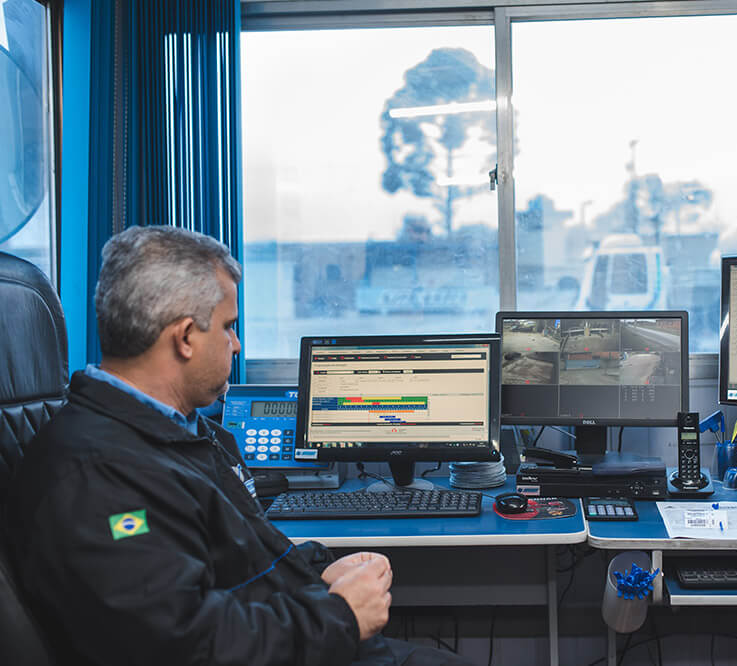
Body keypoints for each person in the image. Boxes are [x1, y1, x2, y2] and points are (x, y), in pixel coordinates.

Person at [4, 226, 470, 666]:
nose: (238, 344)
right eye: (228, 326)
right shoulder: (98, 476)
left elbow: (233, 564)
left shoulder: (175, 433)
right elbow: (178, 646)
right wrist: (340, 616)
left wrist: (319, 571)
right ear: (185, 337)